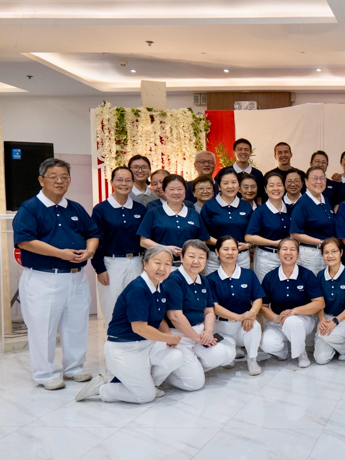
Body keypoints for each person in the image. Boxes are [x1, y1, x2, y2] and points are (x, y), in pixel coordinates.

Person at [13, 158, 100, 390]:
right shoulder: (30, 207)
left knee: (77, 324)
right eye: (54, 177)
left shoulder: (75, 208)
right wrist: (60, 254)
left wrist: (90, 251)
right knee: (43, 327)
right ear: (41, 180)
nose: (60, 181)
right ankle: (45, 373)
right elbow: (25, 240)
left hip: (76, 277)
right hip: (44, 278)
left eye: (64, 177)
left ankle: (74, 367)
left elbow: (93, 233)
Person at [75, 246, 183, 403]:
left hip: (146, 345)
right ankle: (104, 388)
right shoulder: (138, 289)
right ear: (144, 263)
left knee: (176, 356)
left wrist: (167, 336)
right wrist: (168, 338)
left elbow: (158, 319)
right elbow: (139, 328)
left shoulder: (159, 286)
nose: (162, 268)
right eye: (157, 262)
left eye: (167, 264)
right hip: (124, 348)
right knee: (145, 397)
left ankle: (149, 384)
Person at [162, 239, 235, 391]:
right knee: (194, 384)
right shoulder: (173, 280)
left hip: (199, 333)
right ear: (181, 257)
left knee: (224, 354)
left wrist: (208, 331)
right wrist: (197, 338)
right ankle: (169, 373)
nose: (196, 261)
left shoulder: (204, 281)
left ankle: (190, 368)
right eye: (191, 256)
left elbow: (209, 310)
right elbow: (175, 316)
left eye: (201, 257)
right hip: (180, 336)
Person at [92, 166, 147, 326]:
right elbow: (96, 240)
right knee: (112, 308)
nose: (124, 183)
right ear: (112, 182)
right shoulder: (101, 210)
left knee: (137, 305)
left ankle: (136, 344)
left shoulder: (139, 209)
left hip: (136, 262)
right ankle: (113, 343)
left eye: (128, 180)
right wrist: (100, 269)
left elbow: (144, 238)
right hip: (111, 264)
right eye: (119, 179)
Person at [259, 237, 325, 368]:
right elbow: (263, 307)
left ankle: (301, 353)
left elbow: (319, 303)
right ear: (278, 254)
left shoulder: (307, 275)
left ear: (298, 254)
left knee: (292, 321)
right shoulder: (270, 277)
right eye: (284, 249)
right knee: (267, 344)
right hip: (278, 320)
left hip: (303, 319)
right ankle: (283, 353)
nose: (288, 252)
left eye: (292, 249)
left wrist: (294, 312)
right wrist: (277, 318)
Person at [206, 236, 265, 376]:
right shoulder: (210, 279)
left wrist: (251, 314)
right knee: (227, 361)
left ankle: (252, 359)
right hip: (222, 326)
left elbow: (258, 298)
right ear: (217, 252)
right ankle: (232, 351)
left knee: (255, 326)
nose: (230, 252)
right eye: (225, 249)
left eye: (234, 249)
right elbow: (214, 307)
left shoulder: (248, 274)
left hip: (245, 324)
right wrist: (239, 317)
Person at [138, 174, 210, 268]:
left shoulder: (194, 214)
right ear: (164, 191)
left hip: (189, 266)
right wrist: (165, 249)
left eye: (180, 189)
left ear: (185, 191)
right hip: (160, 266)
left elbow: (202, 240)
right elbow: (143, 241)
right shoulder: (154, 212)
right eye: (171, 189)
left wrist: (191, 252)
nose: (176, 192)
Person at [314, 238, 345, 364]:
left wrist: (335, 321)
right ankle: (339, 345)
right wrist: (322, 320)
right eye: (326, 252)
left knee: (327, 335)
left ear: (341, 252)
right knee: (320, 359)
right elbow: (318, 303)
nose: (330, 256)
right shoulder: (320, 276)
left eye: (334, 251)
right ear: (322, 255)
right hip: (326, 317)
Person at [201, 167, 253, 274]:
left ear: (239, 185)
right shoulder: (209, 205)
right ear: (219, 186)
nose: (230, 186)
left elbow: (252, 233)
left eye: (234, 182)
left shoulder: (245, 205)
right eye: (225, 183)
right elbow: (203, 234)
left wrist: (248, 245)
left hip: (241, 257)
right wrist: (226, 246)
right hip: (215, 257)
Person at [245, 172, 292, 282]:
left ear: (284, 187)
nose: (276, 188)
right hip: (266, 258)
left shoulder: (291, 210)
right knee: (266, 291)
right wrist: (275, 243)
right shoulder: (260, 212)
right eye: (271, 185)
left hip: (288, 256)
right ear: (265, 189)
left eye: (279, 185)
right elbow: (249, 237)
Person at [289, 166, 335, 274]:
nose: (319, 182)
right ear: (306, 181)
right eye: (315, 178)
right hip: (311, 255)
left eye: (322, 178)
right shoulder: (302, 204)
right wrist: (321, 242)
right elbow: (294, 233)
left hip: (327, 253)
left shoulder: (326, 200)